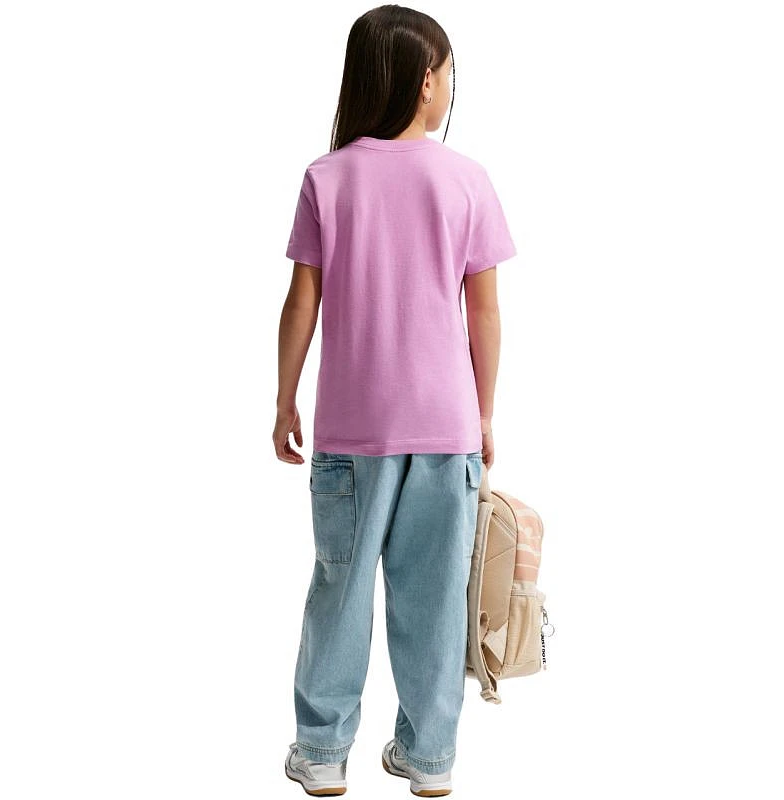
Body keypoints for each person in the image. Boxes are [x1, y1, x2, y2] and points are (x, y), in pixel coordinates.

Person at [275, 5, 516, 796]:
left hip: (353, 431)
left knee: (339, 592)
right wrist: (483, 413)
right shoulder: (466, 178)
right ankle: (429, 755)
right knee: (436, 598)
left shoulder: (327, 177)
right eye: (446, 71)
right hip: (446, 428)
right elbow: (483, 311)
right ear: (423, 82)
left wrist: (284, 399)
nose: (448, 85)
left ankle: (321, 753)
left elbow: (302, 302)